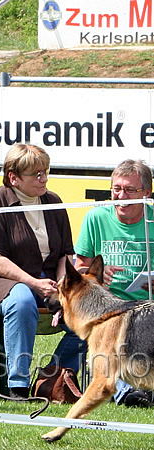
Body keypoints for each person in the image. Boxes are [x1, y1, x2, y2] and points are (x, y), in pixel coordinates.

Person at [0, 144, 78, 399]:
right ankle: (17, 385)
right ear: (13, 177)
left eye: (45, 172)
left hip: (50, 282)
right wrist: (34, 283)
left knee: (88, 304)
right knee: (21, 299)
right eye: (36, 174)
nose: (44, 179)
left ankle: (52, 374)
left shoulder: (53, 201)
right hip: (1, 282)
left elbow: (65, 253)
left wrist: (64, 285)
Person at [75, 159, 154, 407]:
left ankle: (136, 388)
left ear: (147, 193)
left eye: (130, 190)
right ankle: (125, 391)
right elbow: (78, 271)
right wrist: (98, 276)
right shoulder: (95, 217)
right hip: (106, 307)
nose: (121, 196)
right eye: (116, 189)